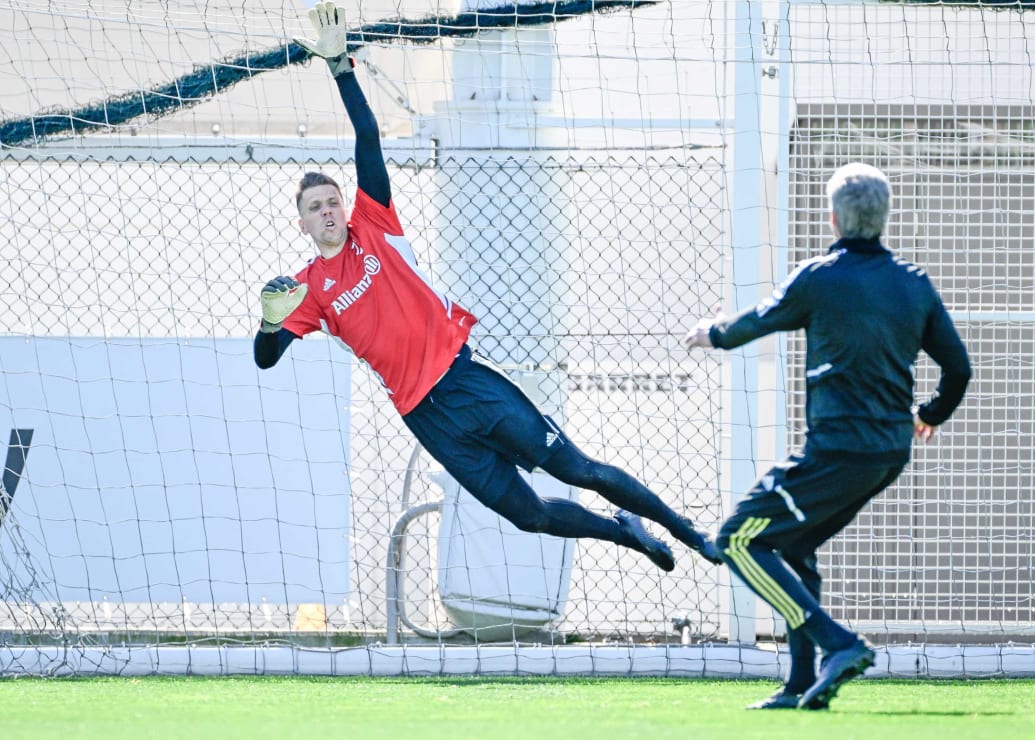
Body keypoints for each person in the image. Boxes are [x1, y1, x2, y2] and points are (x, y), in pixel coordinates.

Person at [256, 3, 719, 576]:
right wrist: (269, 321)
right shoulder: (306, 289)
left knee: (579, 470)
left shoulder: (373, 224)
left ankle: (695, 535)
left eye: (331, 202)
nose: (327, 211)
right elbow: (266, 359)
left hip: (465, 379)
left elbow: (368, 136)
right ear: (300, 223)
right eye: (314, 208)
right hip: (427, 416)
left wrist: (340, 68)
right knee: (529, 516)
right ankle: (626, 533)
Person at [684, 162, 971, 710]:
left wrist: (712, 333)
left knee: (736, 540)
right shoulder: (914, 285)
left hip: (839, 449)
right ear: (883, 218)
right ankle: (799, 685)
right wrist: (931, 413)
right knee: (792, 545)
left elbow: (760, 320)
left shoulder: (820, 277)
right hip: (889, 451)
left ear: (834, 217)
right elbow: (959, 370)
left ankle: (838, 644)